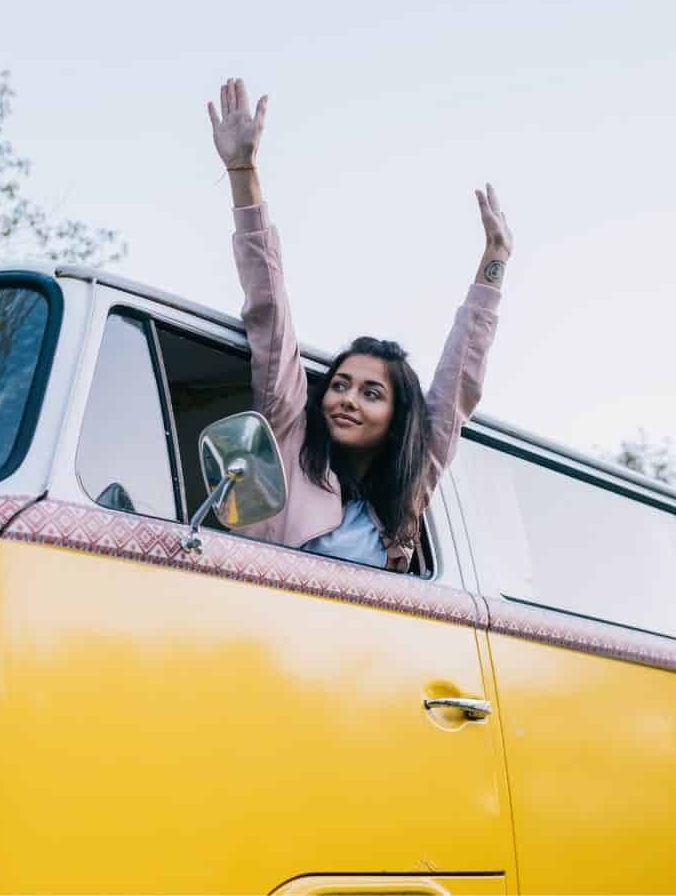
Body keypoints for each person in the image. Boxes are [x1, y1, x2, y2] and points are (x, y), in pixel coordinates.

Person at [207, 77, 512, 572]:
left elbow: (459, 387)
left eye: (371, 393)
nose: (346, 398)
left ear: (398, 418)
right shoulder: (286, 436)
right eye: (341, 385)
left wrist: (494, 264)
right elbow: (269, 308)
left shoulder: (405, 497)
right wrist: (243, 172)